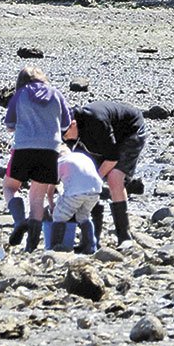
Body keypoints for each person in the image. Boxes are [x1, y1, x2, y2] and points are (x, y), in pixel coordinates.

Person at [2, 66, 71, 251]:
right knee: (37, 197)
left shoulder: (20, 94)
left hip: (24, 148)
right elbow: (66, 124)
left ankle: (19, 222)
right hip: (50, 150)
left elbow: (9, 125)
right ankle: (31, 246)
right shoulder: (56, 94)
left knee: (10, 187)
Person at [66, 100, 148, 245]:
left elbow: (112, 157)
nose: (64, 139)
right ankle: (93, 237)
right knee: (85, 175)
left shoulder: (96, 122)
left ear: (73, 124)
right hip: (108, 138)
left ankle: (124, 236)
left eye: (65, 135)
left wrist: (95, 178)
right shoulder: (69, 126)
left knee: (114, 178)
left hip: (131, 130)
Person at [50, 143, 103, 254]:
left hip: (76, 192)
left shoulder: (61, 162)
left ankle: (55, 247)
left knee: (59, 216)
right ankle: (90, 245)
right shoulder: (82, 157)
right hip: (95, 190)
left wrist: (51, 204)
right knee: (84, 216)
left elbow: (51, 186)